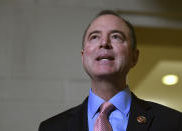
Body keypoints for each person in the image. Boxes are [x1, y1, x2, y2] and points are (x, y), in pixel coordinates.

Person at [38, 10, 182, 131]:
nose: (104, 43)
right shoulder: (51, 128)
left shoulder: (173, 123)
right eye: (94, 37)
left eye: (116, 37)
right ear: (83, 56)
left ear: (134, 57)